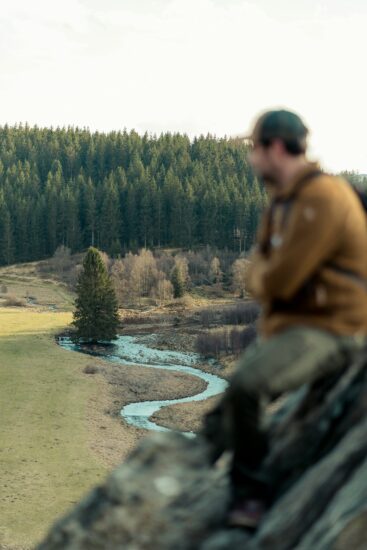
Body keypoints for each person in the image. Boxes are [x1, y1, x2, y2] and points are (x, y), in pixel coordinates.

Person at [202, 109, 367, 528]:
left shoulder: (321, 198)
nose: (250, 158)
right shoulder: (283, 203)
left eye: (253, 148)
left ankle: (251, 496)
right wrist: (264, 273)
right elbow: (264, 275)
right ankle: (191, 478)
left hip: (336, 330)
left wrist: (264, 273)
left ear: (274, 147)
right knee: (221, 420)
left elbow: (276, 280)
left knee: (247, 386)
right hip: (304, 326)